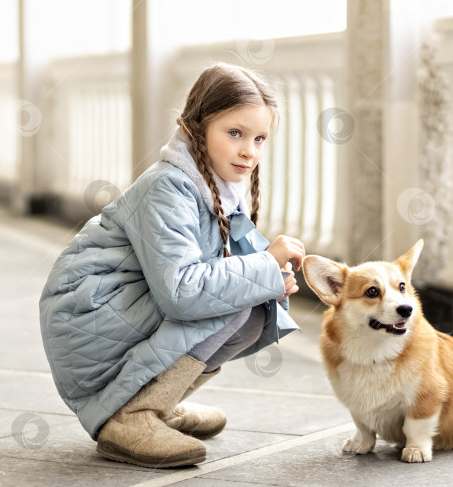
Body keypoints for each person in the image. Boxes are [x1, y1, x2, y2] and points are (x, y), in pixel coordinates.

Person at [39, 63, 305, 469]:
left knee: (253, 310)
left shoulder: (213, 186)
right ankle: (129, 417)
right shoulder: (169, 186)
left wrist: (266, 281)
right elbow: (183, 292)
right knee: (228, 303)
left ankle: (158, 404)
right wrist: (265, 266)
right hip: (89, 317)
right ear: (197, 127)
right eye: (234, 133)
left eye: (259, 138)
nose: (249, 150)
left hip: (121, 311)